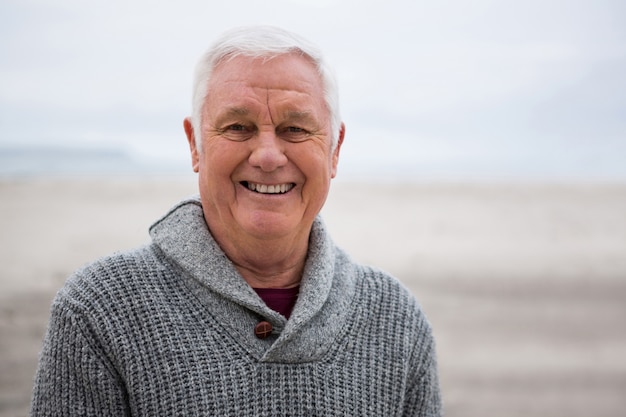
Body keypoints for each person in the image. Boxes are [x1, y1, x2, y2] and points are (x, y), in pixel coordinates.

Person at [30, 25, 442, 416]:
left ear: (334, 150)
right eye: (238, 127)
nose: (267, 155)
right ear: (195, 144)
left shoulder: (396, 318)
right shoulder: (99, 311)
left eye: (295, 128)